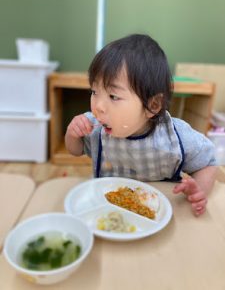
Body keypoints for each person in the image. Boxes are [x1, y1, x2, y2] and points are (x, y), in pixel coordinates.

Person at [65, 34, 217, 216]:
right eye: (95, 91)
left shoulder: (176, 137)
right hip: (106, 211)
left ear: (152, 105)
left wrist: (198, 191)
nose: (98, 106)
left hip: (159, 214)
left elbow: (208, 162)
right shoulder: (97, 126)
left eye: (113, 96)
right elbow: (76, 149)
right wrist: (72, 134)